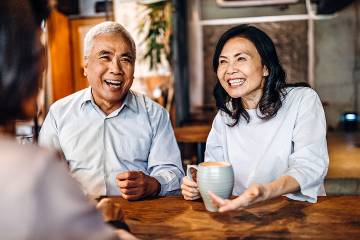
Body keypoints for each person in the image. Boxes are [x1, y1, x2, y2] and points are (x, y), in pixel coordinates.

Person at [0, 1, 136, 239]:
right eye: (38, 49)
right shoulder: (34, 170)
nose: (42, 65)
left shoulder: (155, 114)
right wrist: (111, 223)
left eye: (126, 59)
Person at [181, 24, 329, 212]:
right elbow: (214, 168)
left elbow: (310, 165)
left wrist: (265, 191)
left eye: (241, 59)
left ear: (266, 67)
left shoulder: (301, 100)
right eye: (223, 62)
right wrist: (196, 186)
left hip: (296, 211)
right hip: (239, 214)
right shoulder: (225, 115)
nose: (230, 69)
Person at [39, 21, 184, 200]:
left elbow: (173, 174)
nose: (116, 69)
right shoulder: (59, 113)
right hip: (78, 216)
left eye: (126, 59)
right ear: (86, 66)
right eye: (105, 57)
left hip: (140, 218)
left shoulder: (155, 115)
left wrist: (153, 184)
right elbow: (43, 175)